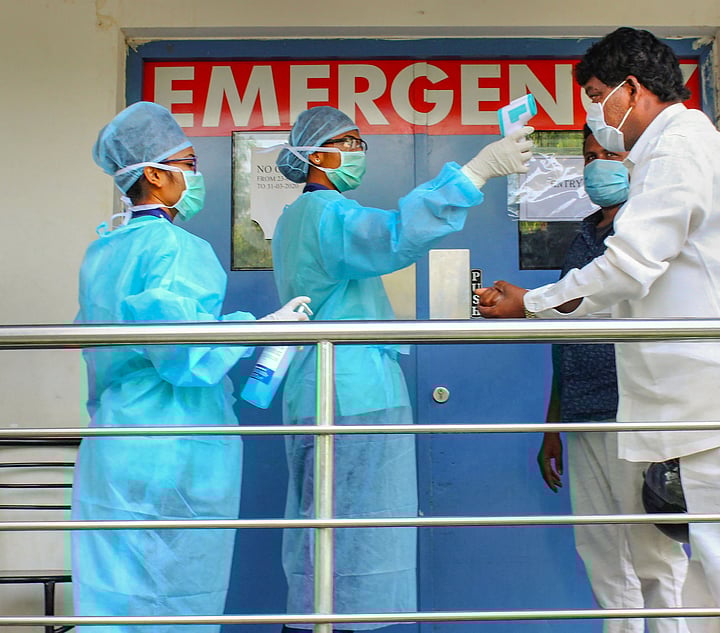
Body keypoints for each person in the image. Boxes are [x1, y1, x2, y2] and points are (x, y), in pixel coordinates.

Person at [475, 28, 720, 633]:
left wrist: (532, 303)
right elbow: (634, 283)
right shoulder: (670, 153)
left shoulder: (677, 152)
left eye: (597, 94)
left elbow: (629, 267)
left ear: (633, 89)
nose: (593, 113)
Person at [272, 105, 533, 632]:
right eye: (348, 142)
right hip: (348, 398)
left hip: (332, 390)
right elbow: (393, 235)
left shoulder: (300, 218)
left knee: (332, 535)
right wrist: (475, 172)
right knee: (352, 541)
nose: (358, 152)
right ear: (316, 154)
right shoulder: (324, 215)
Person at [72, 101, 311, 633]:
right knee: (174, 600)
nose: (196, 176)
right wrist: (257, 328)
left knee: (113, 600)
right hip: (176, 444)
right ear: (154, 174)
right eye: (188, 162)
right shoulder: (177, 247)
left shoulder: (103, 251)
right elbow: (185, 355)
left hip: (115, 438)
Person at [538, 125, 688, 633]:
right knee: (601, 555)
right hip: (584, 416)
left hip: (640, 414)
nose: (599, 164)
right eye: (590, 156)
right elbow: (565, 339)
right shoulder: (581, 237)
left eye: (611, 154)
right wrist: (552, 425)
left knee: (654, 558)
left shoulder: (651, 231)